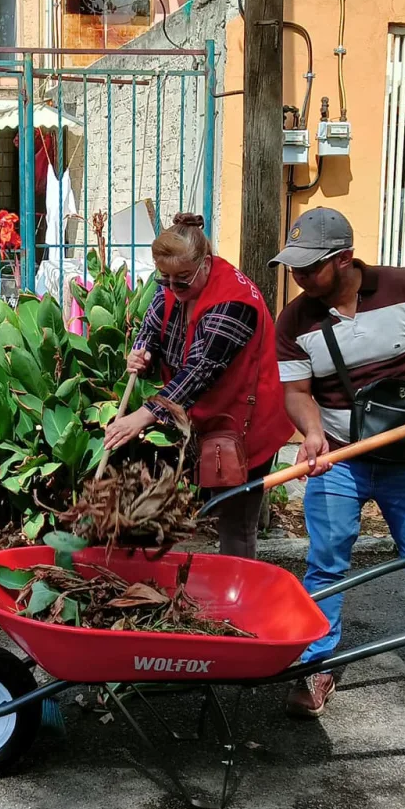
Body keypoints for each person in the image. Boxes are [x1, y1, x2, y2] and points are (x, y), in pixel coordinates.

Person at [271, 208, 405, 716]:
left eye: (308, 268)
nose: (298, 279)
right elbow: (297, 392)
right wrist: (314, 432)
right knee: (324, 566)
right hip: (338, 461)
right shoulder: (295, 320)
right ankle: (317, 663)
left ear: (344, 258)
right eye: (293, 269)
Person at [103, 213, 295, 559]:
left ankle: (236, 599)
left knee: (235, 522)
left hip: (248, 423)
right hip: (205, 421)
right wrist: (142, 353)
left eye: (182, 280)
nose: (173, 288)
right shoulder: (175, 283)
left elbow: (200, 370)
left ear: (206, 264)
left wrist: (143, 416)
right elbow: (154, 322)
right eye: (166, 278)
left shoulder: (234, 302)